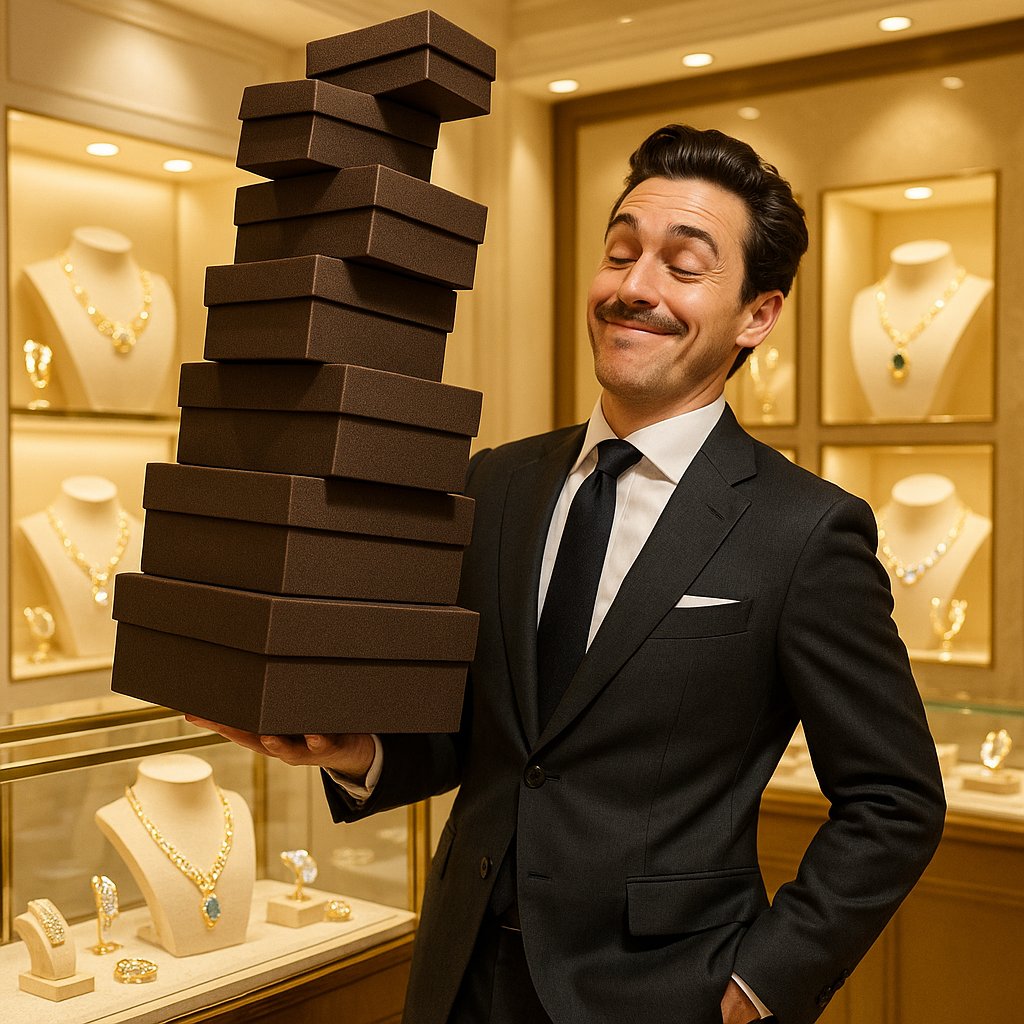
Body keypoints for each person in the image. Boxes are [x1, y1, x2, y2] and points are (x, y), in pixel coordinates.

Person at [189, 124, 946, 1024]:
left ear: (758, 314)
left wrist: (758, 985)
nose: (634, 288)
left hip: (664, 994)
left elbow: (895, 799)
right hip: (458, 978)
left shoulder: (805, 531)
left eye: (682, 265)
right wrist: (362, 754)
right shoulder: (496, 483)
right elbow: (494, 740)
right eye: (620, 253)